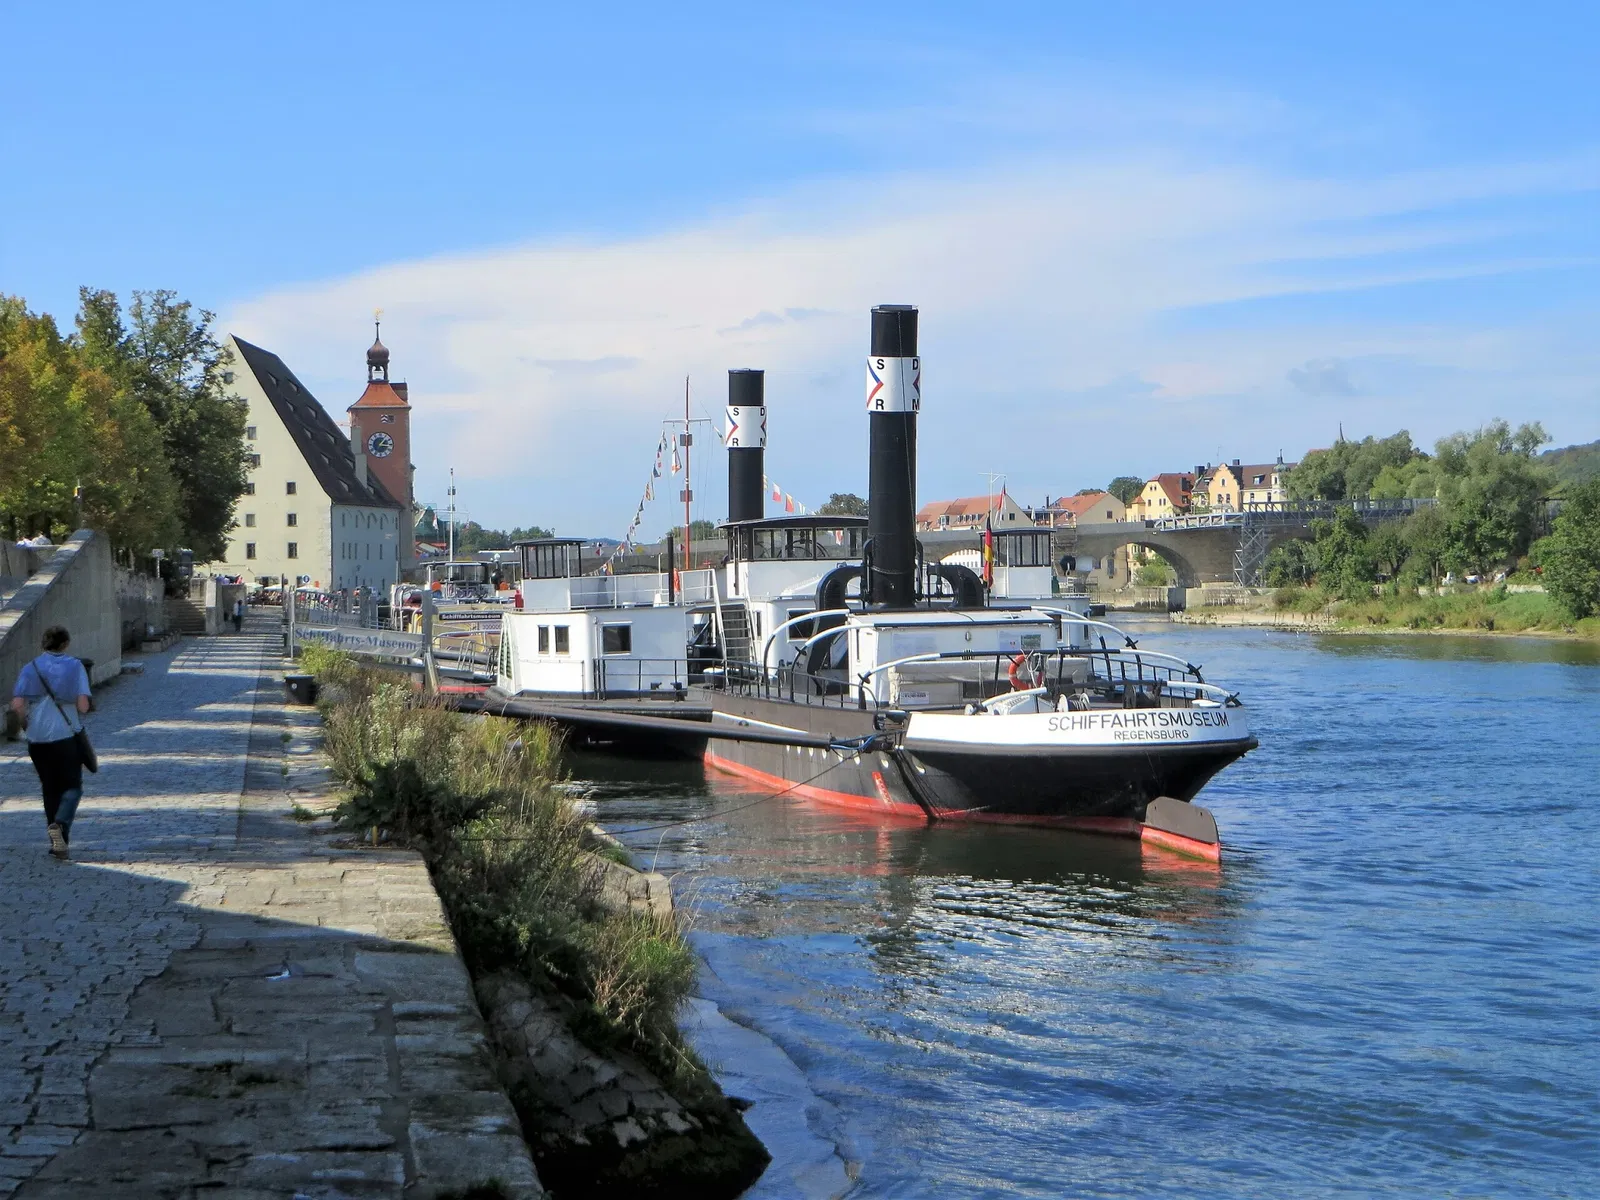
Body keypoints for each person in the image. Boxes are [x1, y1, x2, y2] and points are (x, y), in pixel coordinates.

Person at [9, 626, 92, 859]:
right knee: (73, 786)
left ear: (43, 644)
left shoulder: (30, 667)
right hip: (65, 735)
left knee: (49, 788)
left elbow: (17, 705)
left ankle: (56, 842)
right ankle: (61, 824)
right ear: (65, 644)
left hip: (37, 739)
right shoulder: (75, 666)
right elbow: (83, 706)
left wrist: (27, 726)